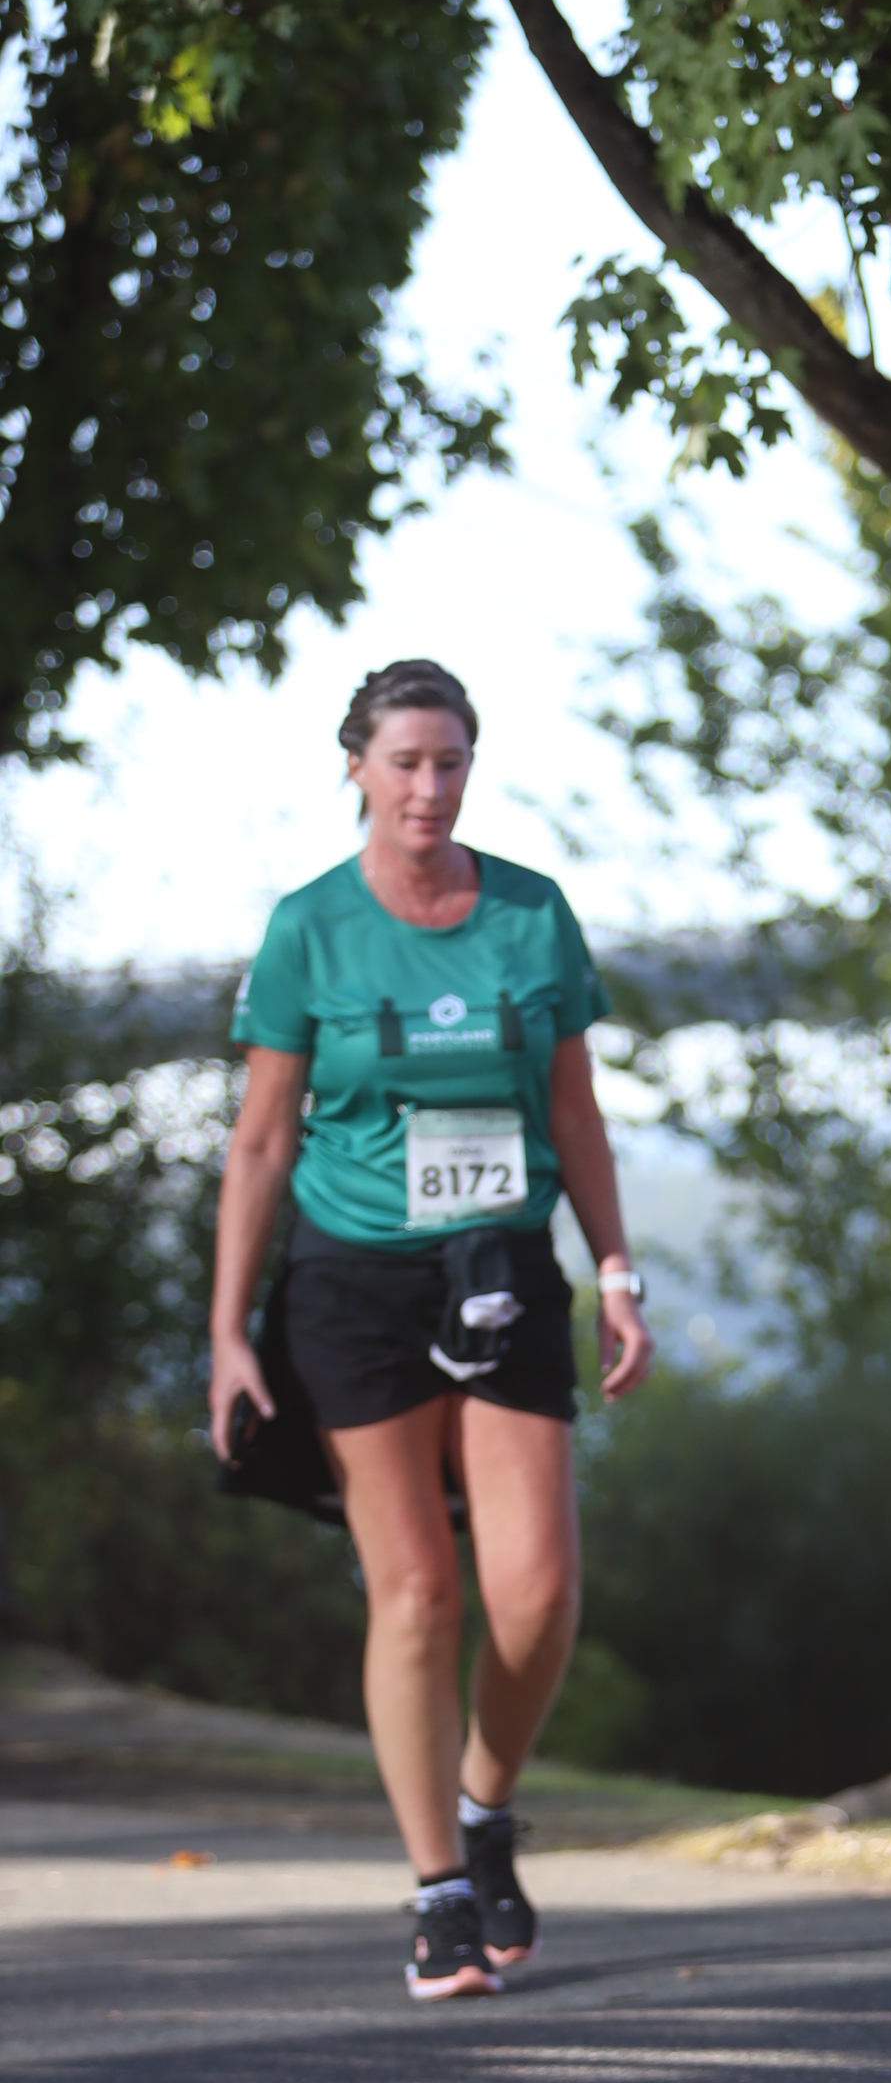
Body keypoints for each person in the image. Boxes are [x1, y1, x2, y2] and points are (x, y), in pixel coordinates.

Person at [208, 657, 655, 1999]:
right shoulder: (311, 927)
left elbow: (572, 1111)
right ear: (356, 766)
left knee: (540, 1596)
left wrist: (617, 1272)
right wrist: (228, 1332)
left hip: (502, 1262)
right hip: (353, 1281)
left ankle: (486, 1805)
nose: (428, 786)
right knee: (415, 1591)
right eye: (403, 761)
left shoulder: (529, 911)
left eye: (449, 761)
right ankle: (439, 1888)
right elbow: (262, 1141)